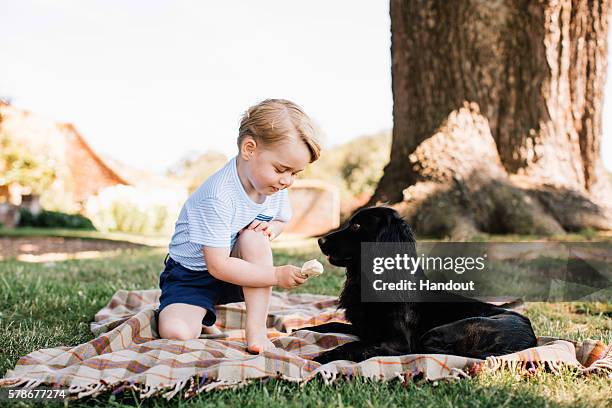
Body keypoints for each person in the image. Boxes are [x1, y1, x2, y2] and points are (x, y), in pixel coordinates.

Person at [157, 99, 321, 354]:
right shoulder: (218, 195)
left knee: (255, 239)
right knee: (177, 333)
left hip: (239, 270)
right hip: (193, 276)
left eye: (295, 173)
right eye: (282, 169)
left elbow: (280, 220)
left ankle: (256, 332)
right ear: (249, 149)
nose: (287, 180)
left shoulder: (273, 185)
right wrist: (276, 275)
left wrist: (270, 231)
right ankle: (196, 312)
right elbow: (217, 265)